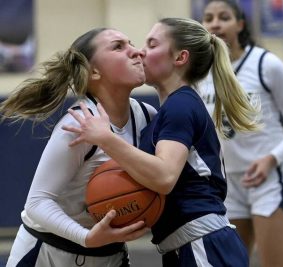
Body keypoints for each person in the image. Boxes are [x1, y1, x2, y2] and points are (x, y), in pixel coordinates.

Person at [62, 17, 261, 267]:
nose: (141, 51)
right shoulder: (167, 109)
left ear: (180, 58)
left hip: (202, 243)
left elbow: (165, 177)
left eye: (152, 44)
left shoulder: (181, 105)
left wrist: (105, 138)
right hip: (187, 245)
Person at [0, 27, 157, 267]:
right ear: (94, 71)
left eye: (131, 43)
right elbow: (37, 203)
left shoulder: (147, 116)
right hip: (48, 254)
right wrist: (86, 237)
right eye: (118, 47)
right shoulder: (78, 124)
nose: (136, 52)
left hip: (109, 255)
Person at [199, 1, 283, 266]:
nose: (216, 23)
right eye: (209, 18)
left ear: (240, 24)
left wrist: (271, 159)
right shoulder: (200, 74)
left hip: (270, 180)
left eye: (224, 17)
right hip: (227, 185)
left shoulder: (267, 64)